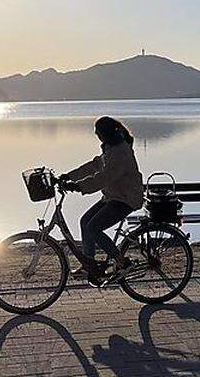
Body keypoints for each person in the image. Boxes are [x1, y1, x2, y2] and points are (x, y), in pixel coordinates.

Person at [59, 116, 144, 283]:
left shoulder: (120, 152)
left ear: (105, 133)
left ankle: (121, 261)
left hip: (125, 199)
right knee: (85, 221)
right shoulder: (110, 149)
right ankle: (89, 265)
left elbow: (105, 177)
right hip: (113, 196)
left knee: (94, 228)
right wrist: (68, 176)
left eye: (98, 131)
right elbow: (93, 166)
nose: (96, 134)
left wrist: (79, 186)